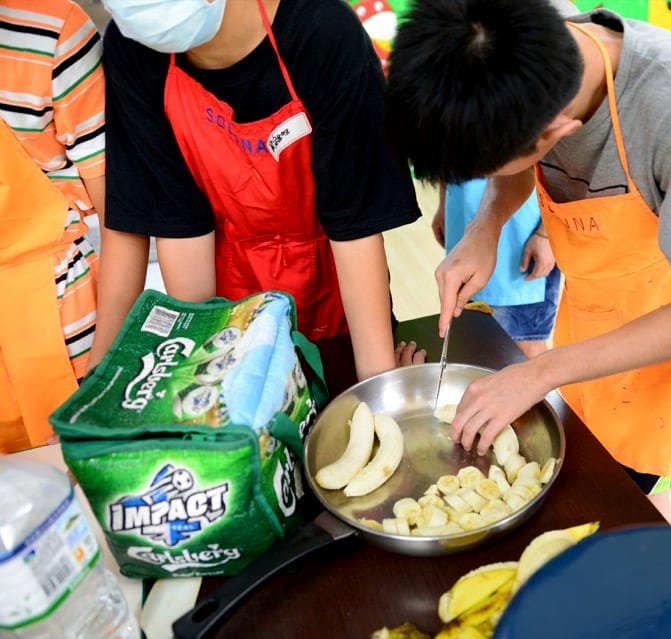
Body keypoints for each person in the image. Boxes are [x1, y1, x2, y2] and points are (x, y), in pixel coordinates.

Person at [385, 0, 671, 516]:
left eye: (487, 168)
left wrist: (539, 372)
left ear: (557, 134)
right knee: (596, 479)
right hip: (589, 336)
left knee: (631, 502)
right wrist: (485, 227)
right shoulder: (524, 32)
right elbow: (518, 161)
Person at [91, 0, 424, 398]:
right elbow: (180, 228)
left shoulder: (323, 32)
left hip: (335, 294)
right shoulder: (134, 48)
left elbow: (354, 227)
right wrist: (202, 381)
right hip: (229, 312)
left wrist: (380, 387)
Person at [0, 0, 105, 453]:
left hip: (54, 323)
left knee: (65, 479)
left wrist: (109, 360)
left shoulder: (52, 29)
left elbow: (120, 215)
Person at [436, 179, 561, 358]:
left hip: (519, 239)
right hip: (464, 219)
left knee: (522, 347)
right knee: (476, 344)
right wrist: (443, 203)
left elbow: (560, 169)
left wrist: (547, 233)